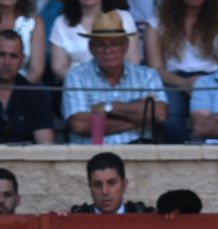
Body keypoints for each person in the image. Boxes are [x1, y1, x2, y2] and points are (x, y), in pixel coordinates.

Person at [62, 10, 168, 145]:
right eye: (101, 44)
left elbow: (159, 114)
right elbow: (80, 124)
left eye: (114, 43)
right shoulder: (77, 76)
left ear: (125, 46)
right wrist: (140, 119)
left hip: (138, 152)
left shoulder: (147, 76)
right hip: (92, 154)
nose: (108, 50)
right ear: (91, 47)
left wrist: (108, 108)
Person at [145, 0, 218, 144]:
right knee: (170, 120)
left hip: (212, 78)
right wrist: (184, 83)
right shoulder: (158, 20)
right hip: (171, 79)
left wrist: (205, 83)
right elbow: (155, 69)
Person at [50, 0, 140, 82]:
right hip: (78, 87)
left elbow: (133, 61)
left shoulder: (124, 18)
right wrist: (86, 82)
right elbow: (59, 68)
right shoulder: (61, 23)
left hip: (121, 85)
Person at [70, 151, 154, 213]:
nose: (105, 191)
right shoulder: (76, 217)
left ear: (124, 185)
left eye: (112, 183)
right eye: (97, 185)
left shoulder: (143, 215)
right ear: (90, 187)